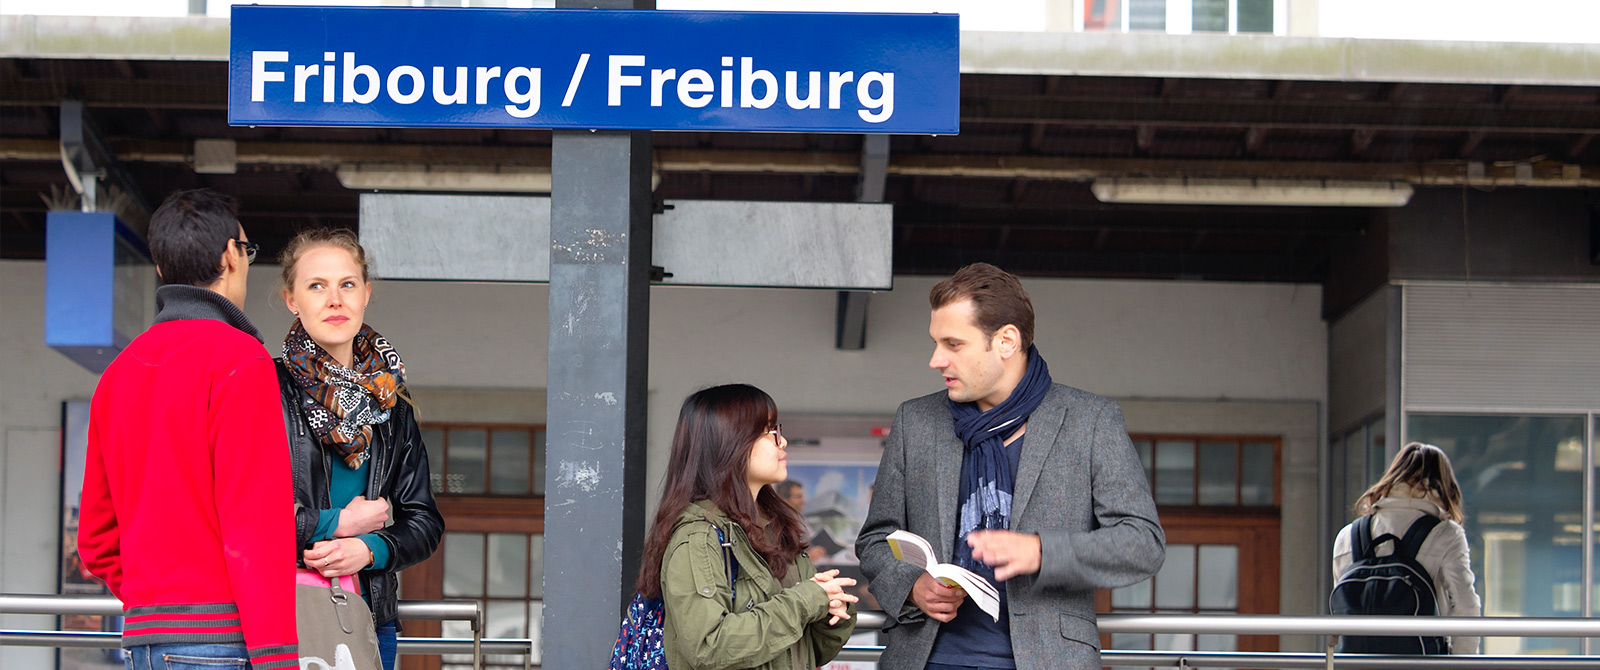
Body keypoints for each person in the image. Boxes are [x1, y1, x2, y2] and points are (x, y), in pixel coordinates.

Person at [856, 262, 1166, 670]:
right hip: (926, 658)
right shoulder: (916, 421)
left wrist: (1040, 551)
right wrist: (911, 586)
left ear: (1006, 341)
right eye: (935, 343)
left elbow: (1143, 543)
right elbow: (876, 538)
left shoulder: (1090, 421)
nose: (935, 360)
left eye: (953, 344)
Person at [77, 189, 299, 670]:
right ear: (230, 256)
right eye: (247, 249)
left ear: (161, 268)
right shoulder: (240, 360)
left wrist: (157, 605)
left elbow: (95, 540)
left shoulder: (118, 373)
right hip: (221, 641)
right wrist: (277, 657)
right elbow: (256, 524)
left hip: (144, 640)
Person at [275, 228, 444, 670]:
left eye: (347, 284)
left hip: (367, 618)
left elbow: (424, 521)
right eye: (317, 286)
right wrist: (335, 525)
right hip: (278, 615)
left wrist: (369, 550)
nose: (335, 300)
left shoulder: (392, 401)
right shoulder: (266, 390)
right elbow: (240, 513)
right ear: (292, 299)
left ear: (366, 293)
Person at [636, 384, 859, 670]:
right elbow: (708, 648)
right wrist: (805, 602)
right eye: (769, 431)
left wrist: (833, 614)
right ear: (730, 443)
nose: (783, 442)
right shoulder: (699, 537)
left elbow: (807, 651)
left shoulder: (778, 528)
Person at [1332, 442, 1481, 654]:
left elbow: (1342, 610)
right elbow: (1467, 608)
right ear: (1444, 485)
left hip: (1358, 662)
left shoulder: (1348, 535)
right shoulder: (1446, 533)